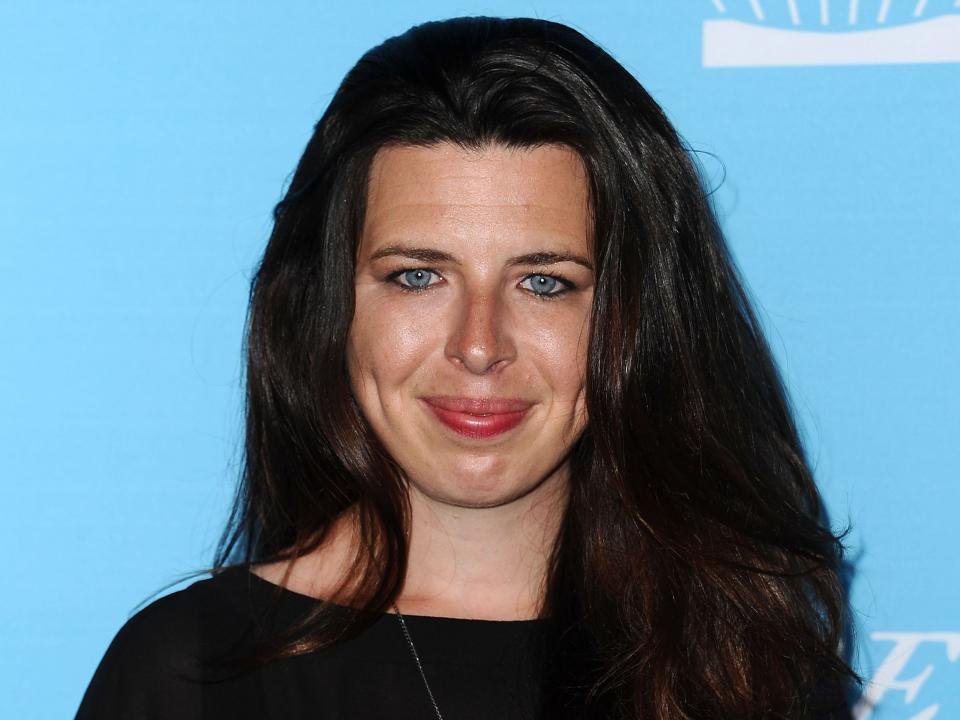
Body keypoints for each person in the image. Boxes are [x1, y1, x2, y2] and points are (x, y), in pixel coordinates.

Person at [75, 16, 857, 720]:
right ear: (329, 308)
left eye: (544, 282)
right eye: (418, 276)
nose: (479, 345)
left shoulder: (744, 662)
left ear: (635, 318)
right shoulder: (190, 681)